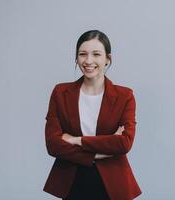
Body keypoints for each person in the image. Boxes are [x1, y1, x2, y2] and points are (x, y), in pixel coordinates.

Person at [43, 30, 142, 200]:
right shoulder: (60, 92)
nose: (88, 61)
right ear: (76, 58)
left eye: (96, 54)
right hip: (71, 182)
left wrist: (76, 140)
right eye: (82, 54)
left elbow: (124, 143)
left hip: (113, 185)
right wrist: (102, 152)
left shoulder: (125, 96)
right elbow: (53, 145)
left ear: (107, 59)